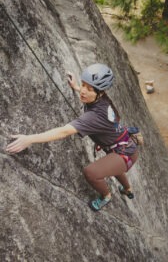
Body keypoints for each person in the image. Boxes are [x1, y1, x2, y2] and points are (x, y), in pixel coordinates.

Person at [6, 63, 139, 211]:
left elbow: (64, 131)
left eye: (88, 89)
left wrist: (29, 139)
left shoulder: (95, 116)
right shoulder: (102, 99)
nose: (83, 91)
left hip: (124, 153)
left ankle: (106, 195)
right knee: (114, 167)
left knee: (91, 173)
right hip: (123, 147)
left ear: (100, 93)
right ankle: (127, 189)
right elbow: (87, 93)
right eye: (83, 85)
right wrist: (76, 86)